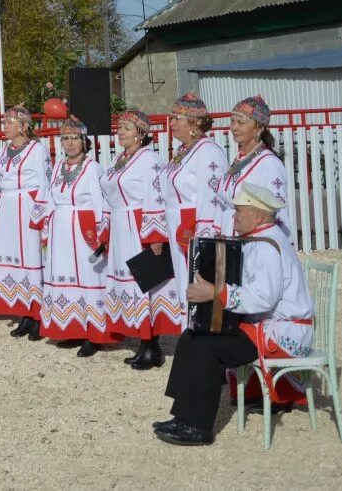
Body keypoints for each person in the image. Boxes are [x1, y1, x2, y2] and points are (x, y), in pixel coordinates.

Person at [154, 183, 314, 446]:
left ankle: (198, 428)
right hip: (264, 326)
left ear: (259, 216)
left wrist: (216, 292)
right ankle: (183, 416)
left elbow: (264, 297)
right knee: (192, 336)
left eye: (239, 211)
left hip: (282, 331)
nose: (234, 216)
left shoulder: (267, 245)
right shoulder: (259, 239)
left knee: (208, 347)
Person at [101, 109, 174, 370]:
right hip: (121, 225)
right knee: (126, 282)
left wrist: (154, 234)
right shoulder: (119, 159)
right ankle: (141, 340)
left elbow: (156, 196)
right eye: (119, 126)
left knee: (143, 282)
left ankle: (150, 344)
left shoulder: (150, 160)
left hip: (137, 225)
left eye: (127, 128)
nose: (120, 131)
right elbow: (108, 197)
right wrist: (106, 227)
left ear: (141, 133)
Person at [35, 116, 112, 355]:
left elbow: (100, 203)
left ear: (84, 141)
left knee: (88, 277)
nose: (69, 143)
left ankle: (94, 333)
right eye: (65, 138)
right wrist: (46, 229)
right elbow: (49, 198)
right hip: (60, 228)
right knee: (63, 275)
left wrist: (100, 235)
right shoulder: (58, 166)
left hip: (82, 228)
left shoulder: (92, 168)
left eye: (74, 138)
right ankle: (70, 327)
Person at [0, 105, 50, 339]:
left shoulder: (37, 150)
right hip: (6, 208)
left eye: (9, 123)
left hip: (28, 207)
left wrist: (41, 217)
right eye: (4, 122)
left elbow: (44, 184)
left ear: (23, 126)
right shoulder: (2, 151)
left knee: (31, 258)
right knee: (12, 259)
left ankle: (37, 315)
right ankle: (23, 313)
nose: (5, 127)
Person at [160, 93, 229, 335]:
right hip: (178, 225)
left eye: (177, 118)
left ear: (195, 122)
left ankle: (199, 333)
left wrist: (202, 235)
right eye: (171, 118)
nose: (172, 123)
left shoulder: (207, 151)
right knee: (182, 282)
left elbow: (211, 196)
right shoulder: (183, 151)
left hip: (193, 227)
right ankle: (187, 333)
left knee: (195, 279)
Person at [219, 95, 289, 239]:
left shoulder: (269, 164)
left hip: (250, 238)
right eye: (232, 121)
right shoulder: (241, 159)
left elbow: (276, 209)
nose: (234, 127)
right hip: (228, 233)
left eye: (241, 122)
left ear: (258, 128)